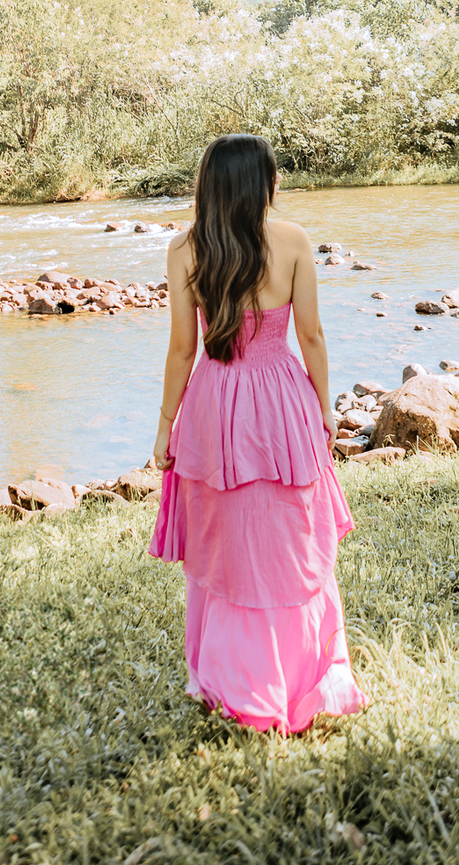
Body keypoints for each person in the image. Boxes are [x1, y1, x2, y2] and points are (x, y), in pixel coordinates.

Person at [148, 133, 367, 735]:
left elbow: (180, 349)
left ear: (210, 187)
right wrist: (324, 409)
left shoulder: (185, 249)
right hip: (281, 400)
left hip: (215, 405)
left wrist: (165, 426)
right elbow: (313, 337)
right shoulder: (293, 240)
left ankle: (233, 681)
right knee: (291, 536)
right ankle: (302, 678)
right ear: (262, 185)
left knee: (225, 544)